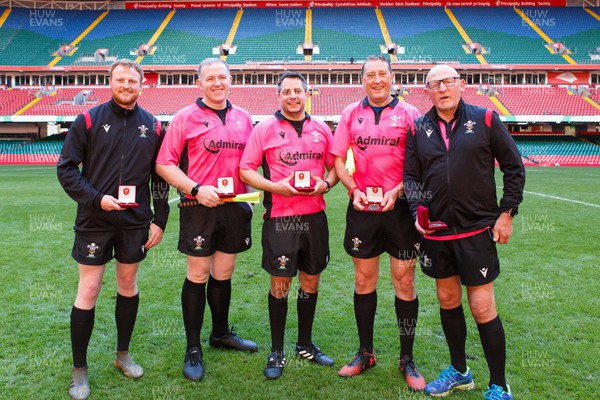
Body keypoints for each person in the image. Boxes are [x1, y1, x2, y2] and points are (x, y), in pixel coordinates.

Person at [404, 65, 525, 400]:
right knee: (446, 299)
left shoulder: (486, 120)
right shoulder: (418, 128)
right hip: (437, 233)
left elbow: (514, 166)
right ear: (426, 90)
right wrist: (416, 213)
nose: (442, 88)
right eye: (434, 84)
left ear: (460, 84)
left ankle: (499, 384)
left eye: (448, 81)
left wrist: (507, 212)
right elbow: (412, 179)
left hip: (476, 231)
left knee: (482, 306)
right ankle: (459, 370)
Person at [57, 59, 170, 400]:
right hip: (94, 220)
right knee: (88, 291)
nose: (126, 85)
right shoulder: (88, 119)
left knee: (128, 286)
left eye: (131, 80)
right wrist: (97, 199)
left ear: (141, 85)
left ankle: (122, 355)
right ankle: (79, 372)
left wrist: (159, 218)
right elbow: (66, 169)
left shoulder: (153, 125)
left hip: (135, 223)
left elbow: (160, 176)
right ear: (110, 82)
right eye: (119, 79)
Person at [155, 58, 257, 382]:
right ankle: (193, 348)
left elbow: (250, 163)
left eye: (222, 77)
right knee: (198, 274)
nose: (216, 83)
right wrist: (196, 189)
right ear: (199, 83)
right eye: (209, 78)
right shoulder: (184, 118)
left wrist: (251, 199)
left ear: (231, 81)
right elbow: (164, 164)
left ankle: (221, 333)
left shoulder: (244, 118)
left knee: (224, 272)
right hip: (198, 206)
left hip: (234, 208)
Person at [331, 55, 426, 390]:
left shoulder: (410, 114)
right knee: (363, 280)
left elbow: (419, 163)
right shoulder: (349, 114)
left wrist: (399, 191)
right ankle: (366, 352)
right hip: (362, 210)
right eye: (369, 74)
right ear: (362, 80)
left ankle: (407, 358)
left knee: (404, 282)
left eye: (382, 74)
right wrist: (353, 189)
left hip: (400, 211)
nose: (376, 79)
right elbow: (338, 160)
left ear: (391, 76)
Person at [239, 71, 338, 380]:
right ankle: (278, 350)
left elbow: (336, 169)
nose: (293, 95)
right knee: (280, 284)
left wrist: (325, 183)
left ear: (307, 94)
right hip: (281, 218)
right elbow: (245, 170)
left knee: (310, 282)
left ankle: (305, 343)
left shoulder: (321, 128)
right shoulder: (264, 129)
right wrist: (274, 186)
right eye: (287, 91)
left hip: (315, 219)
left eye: (298, 90)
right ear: (278, 95)